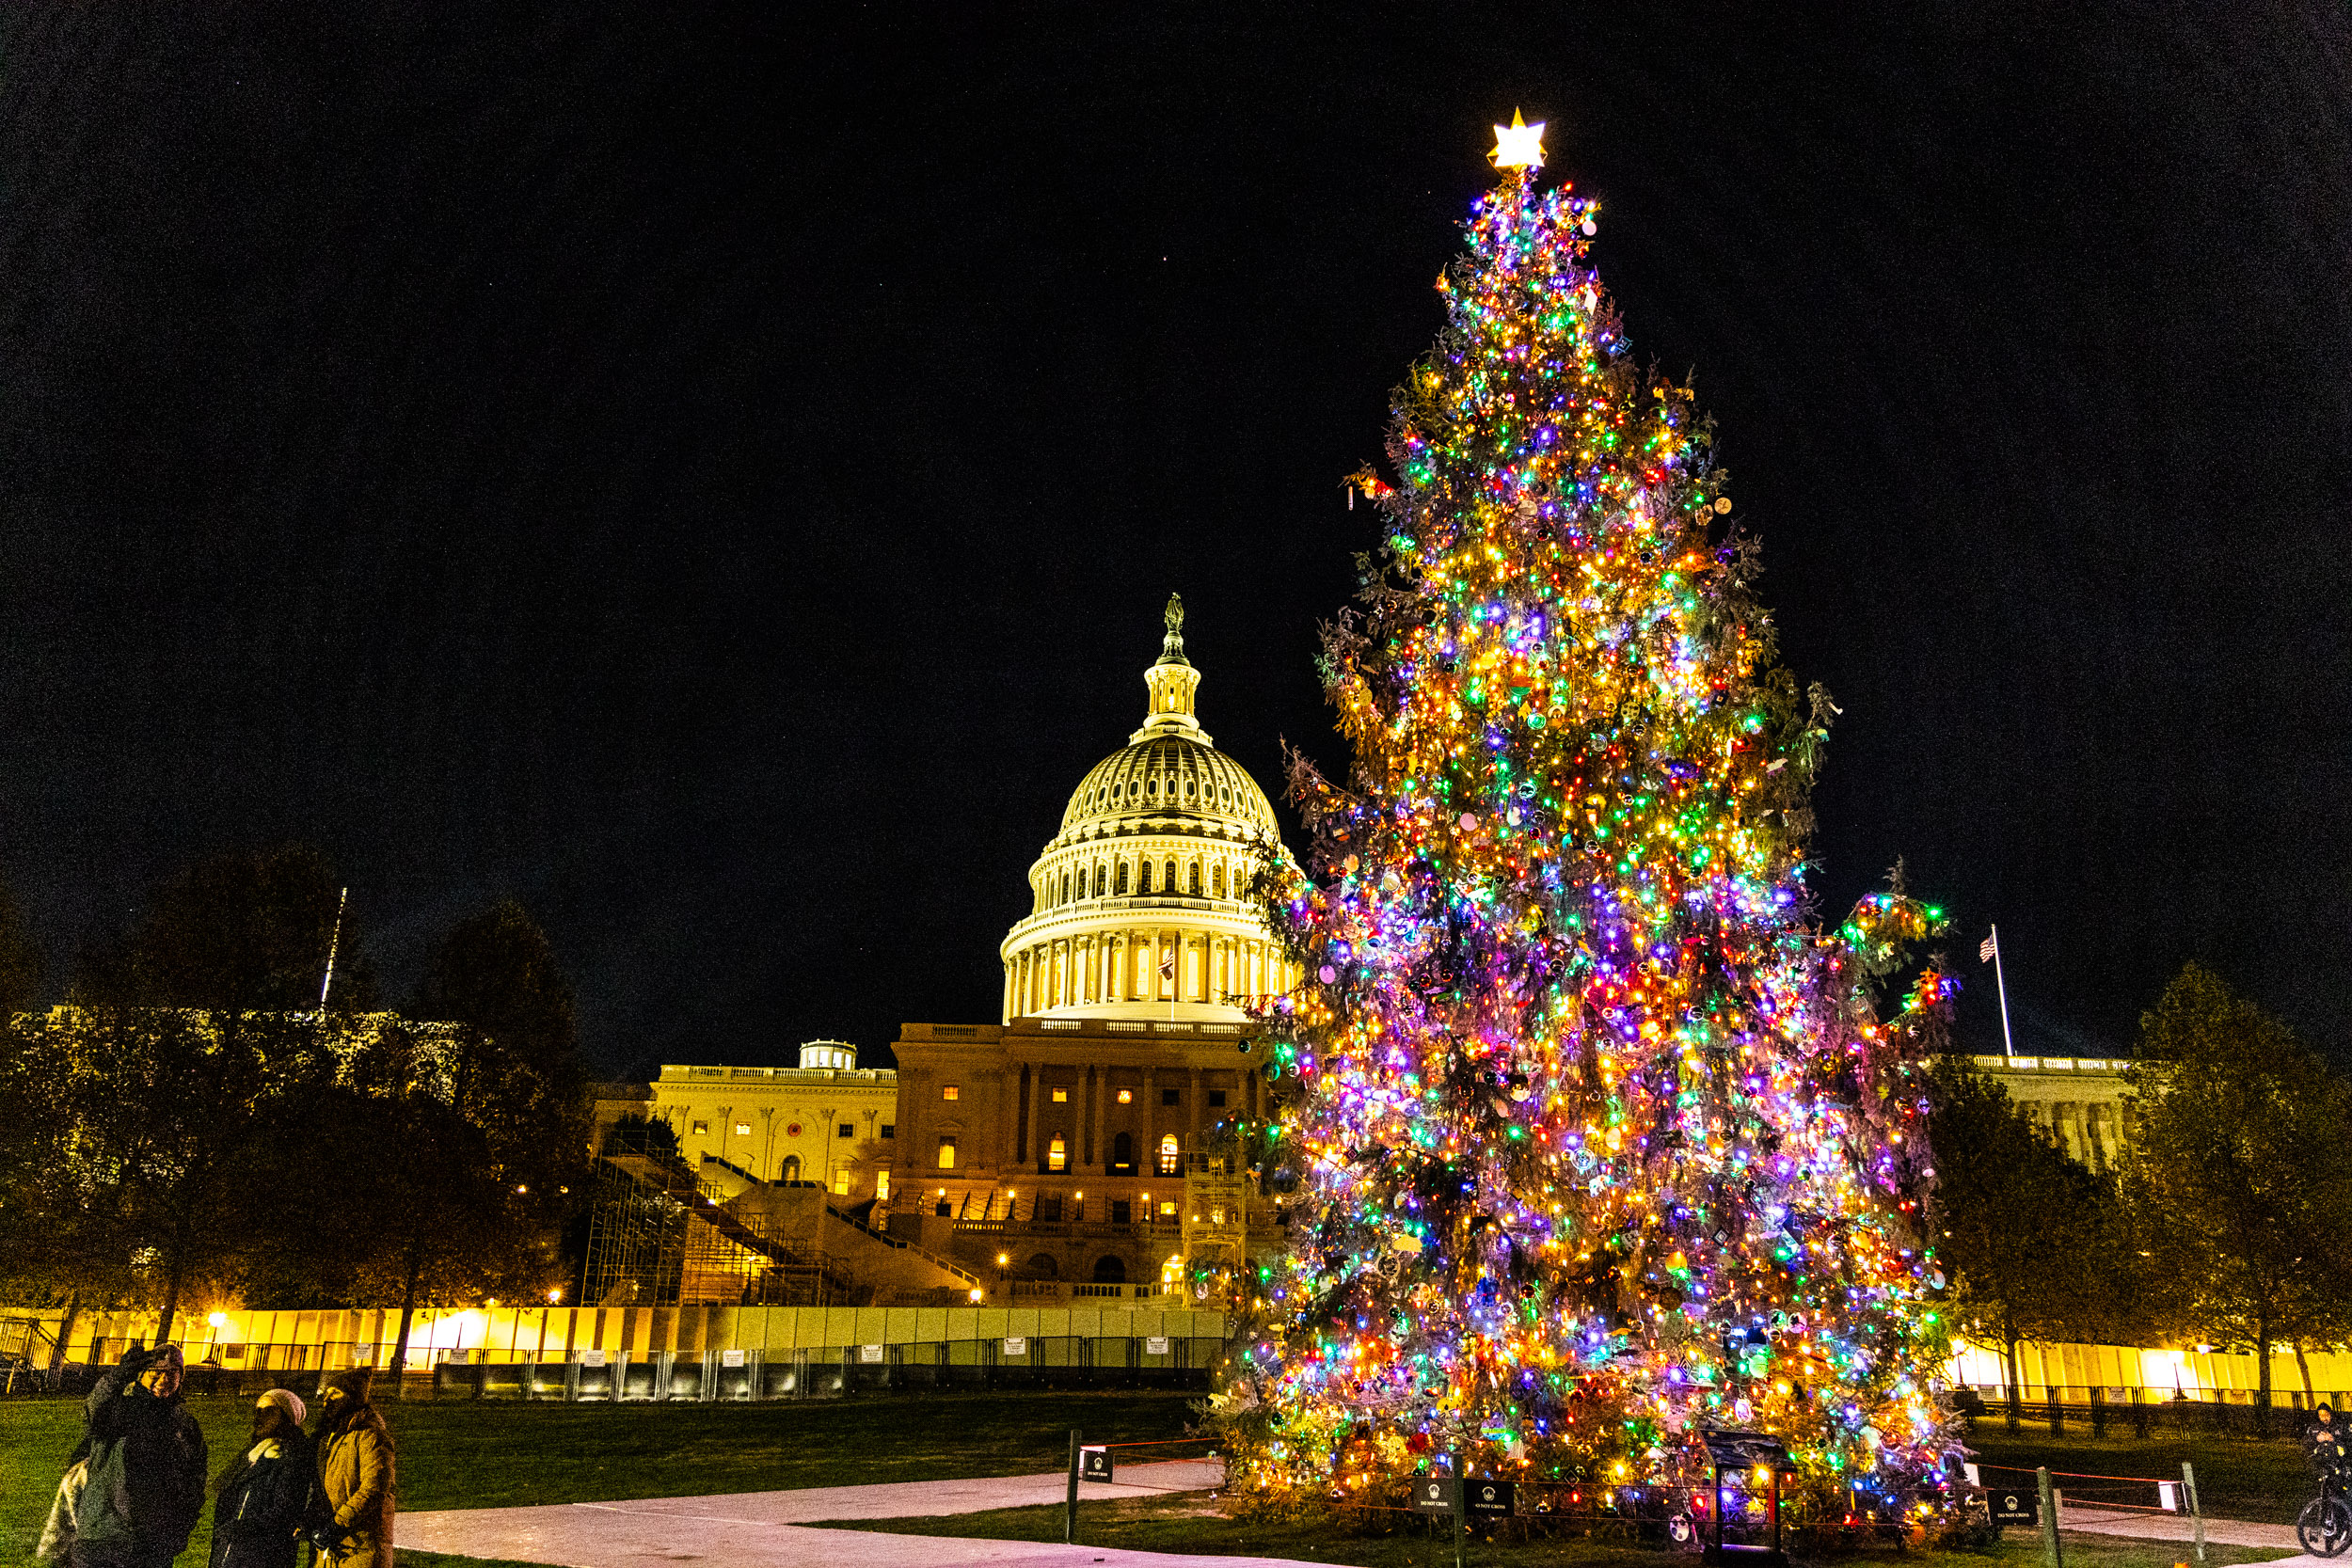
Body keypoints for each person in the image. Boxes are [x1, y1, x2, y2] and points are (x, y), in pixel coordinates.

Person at [70, 1344, 207, 1568]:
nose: (164, 1379)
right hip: (106, 1534)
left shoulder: (184, 1424)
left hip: (155, 1541)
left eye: (172, 1373)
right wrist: (118, 1376)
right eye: (156, 1372)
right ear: (141, 1375)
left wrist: (181, 1525)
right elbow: (94, 1409)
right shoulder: (120, 1411)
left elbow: (195, 1479)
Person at [208, 1389, 315, 1568]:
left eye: (269, 1410)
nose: (260, 1416)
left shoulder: (291, 1456)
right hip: (234, 1551)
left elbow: (285, 1511)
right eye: (258, 1410)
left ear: (286, 1416)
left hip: (262, 1554)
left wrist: (241, 1528)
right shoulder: (253, 1453)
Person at [308, 1370, 394, 1568]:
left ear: (352, 1397)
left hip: (361, 1545)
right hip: (333, 1546)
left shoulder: (370, 1435)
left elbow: (373, 1488)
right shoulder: (330, 1436)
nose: (326, 1399)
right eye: (326, 1393)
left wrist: (337, 1524)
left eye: (335, 1393)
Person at [2312, 1403, 2349, 1492]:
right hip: (2321, 1464)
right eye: (2321, 1415)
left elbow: (2348, 1442)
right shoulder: (2314, 1428)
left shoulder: (2340, 1427)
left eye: (2326, 1415)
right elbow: (2305, 1444)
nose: (2324, 1418)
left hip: (2338, 1463)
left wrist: (2333, 1440)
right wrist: (2316, 1439)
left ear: (2331, 1414)